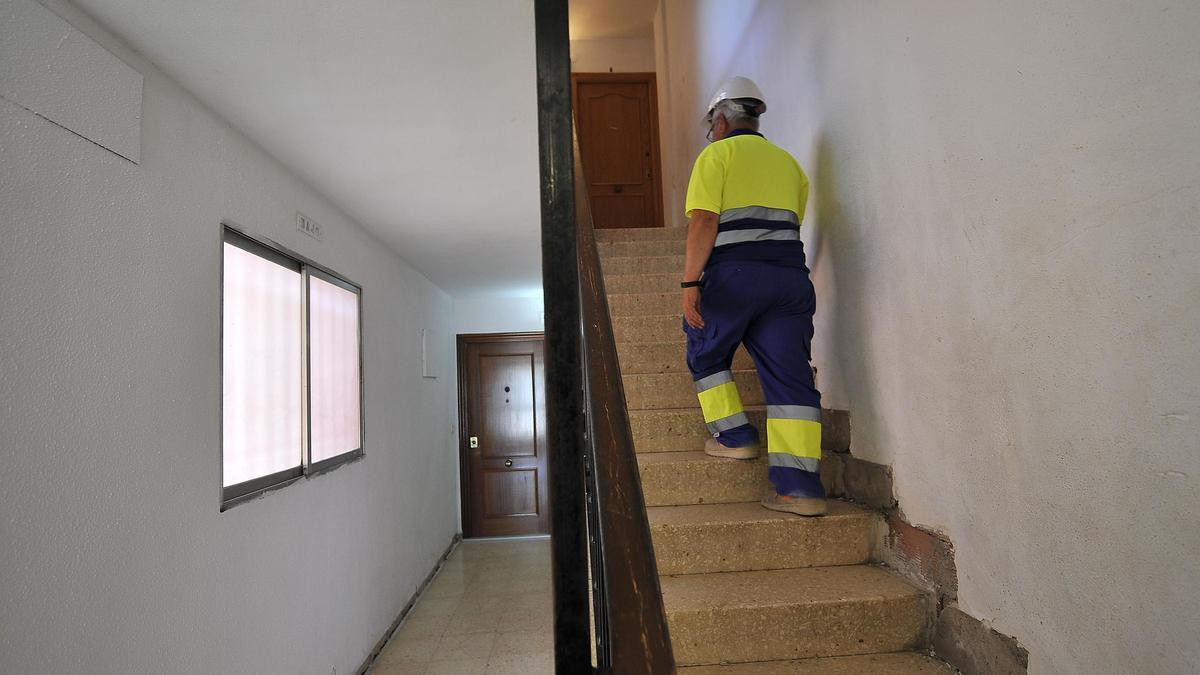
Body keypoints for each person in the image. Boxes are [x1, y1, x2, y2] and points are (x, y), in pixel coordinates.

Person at [680, 76, 826, 516]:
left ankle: (735, 437)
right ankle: (799, 490)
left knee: (704, 350)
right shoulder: (788, 163)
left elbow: (704, 221)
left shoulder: (716, 155)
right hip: (790, 278)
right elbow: (790, 223)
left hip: (735, 274)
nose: (712, 132)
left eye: (711, 126)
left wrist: (690, 285)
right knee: (790, 379)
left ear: (720, 120)